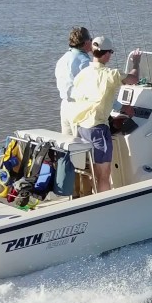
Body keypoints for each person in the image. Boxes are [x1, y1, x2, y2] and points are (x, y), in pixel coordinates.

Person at [65, 36, 141, 192]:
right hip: (97, 129)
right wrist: (136, 62)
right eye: (111, 52)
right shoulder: (111, 74)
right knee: (104, 174)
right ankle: (103, 204)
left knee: (90, 171)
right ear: (107, 54)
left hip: (80, 127)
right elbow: (134, 79)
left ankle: (89, 198)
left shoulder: (82, 74)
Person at [54, 26, 92, 135]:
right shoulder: (84, 61)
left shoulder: (63, 59)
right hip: (78, 108)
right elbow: (93, 88)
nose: (92, 41)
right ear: (85, 43)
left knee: (69, 146)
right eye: (90, 39)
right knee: (82, 146)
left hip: (65, 106)